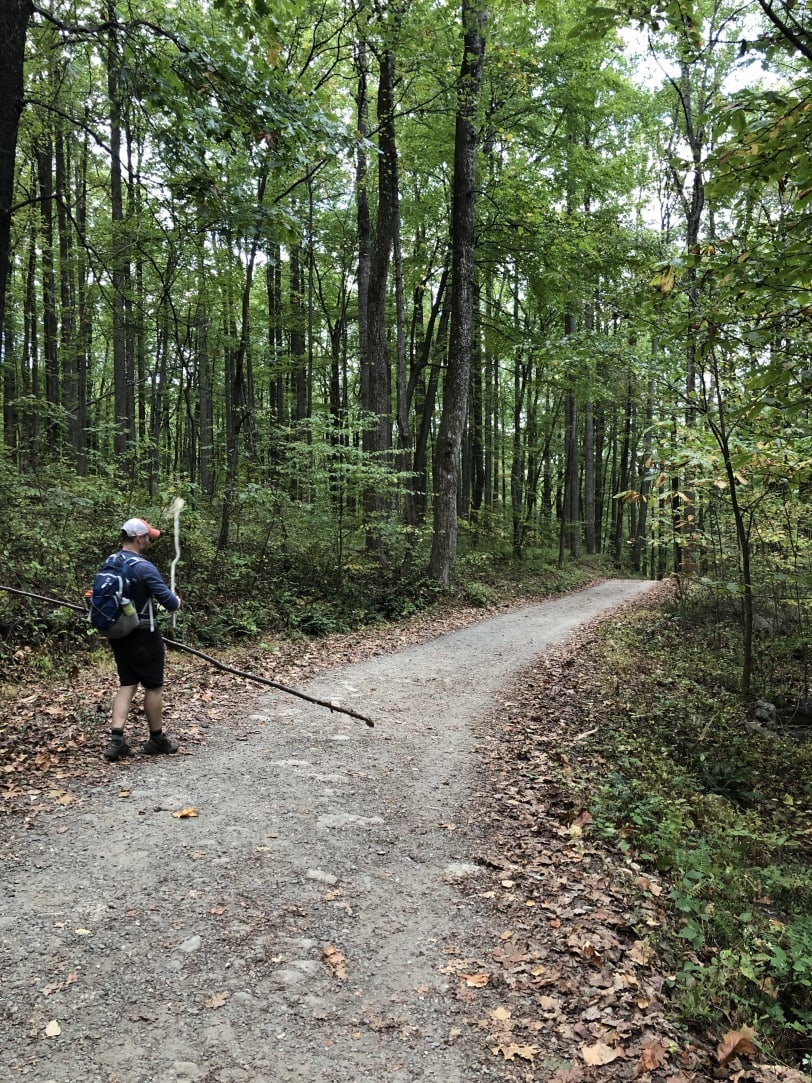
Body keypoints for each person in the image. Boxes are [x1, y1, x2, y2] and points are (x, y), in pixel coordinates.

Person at [103, 517, 182, 762]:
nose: (150, 540)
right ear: (138, 538)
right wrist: (177, 601)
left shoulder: (110, 562)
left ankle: (117, 741)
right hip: (144, 634)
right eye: (148, 537)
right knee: (153, 686)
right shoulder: (144, 567)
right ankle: (156, 739)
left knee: (127, 683)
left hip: (118, 632)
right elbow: (169, 602)